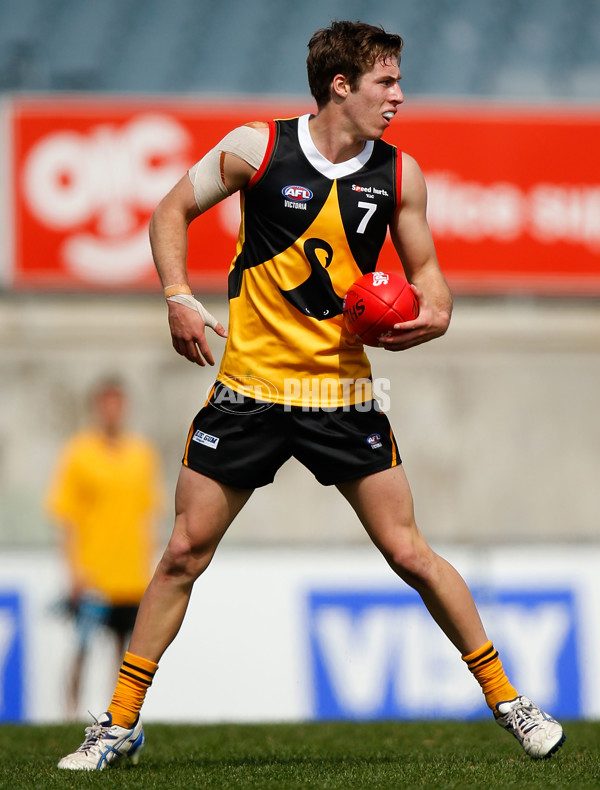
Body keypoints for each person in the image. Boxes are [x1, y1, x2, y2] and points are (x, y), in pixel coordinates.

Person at [57, 21, 565, 770]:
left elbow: (434, 284)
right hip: (248, 392)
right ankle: (119, 723)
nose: (399, 95)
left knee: (410, 553)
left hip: (343, 396)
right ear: (341, 86)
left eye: (398, 81)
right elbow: (171, 212)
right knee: (181, 556)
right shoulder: (257, 149)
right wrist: (176, 295)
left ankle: (512, 704)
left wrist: (431, 317)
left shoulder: (399, 175)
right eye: (385, 82)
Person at [46, 377, 164, 719]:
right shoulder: (79, 453)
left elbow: (148, 516)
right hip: (94, 574)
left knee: (124, 654)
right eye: (107, 402)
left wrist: (150, 568)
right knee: (81, 650)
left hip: (130, 574)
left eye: (118, 402)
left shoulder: (142, 454)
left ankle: (118, 717)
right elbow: (66, 517)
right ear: (96, 406)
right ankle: (68, 715)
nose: (113, 410)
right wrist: (73, 572)